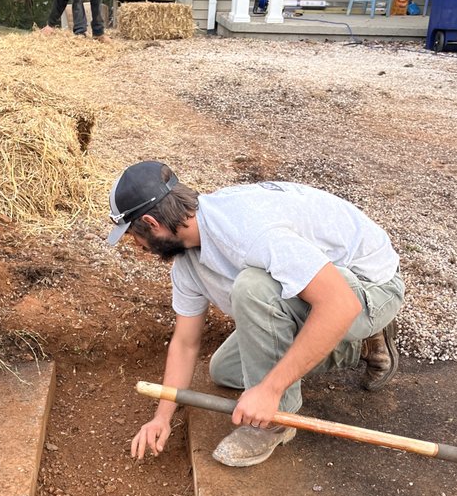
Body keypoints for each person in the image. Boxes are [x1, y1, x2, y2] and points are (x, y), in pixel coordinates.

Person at [107, 161, 405, 468]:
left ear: (151, 223)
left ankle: (275, 422)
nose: (139, 247)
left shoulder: (246, 231)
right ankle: (361, 347)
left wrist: (270, 390)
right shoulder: (189, 261)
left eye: (134, 237)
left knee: (251, 288)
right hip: (326, 291)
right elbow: (185, 343)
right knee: (226, 371)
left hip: (370, 289)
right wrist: (161, 418)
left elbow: (341, 304)